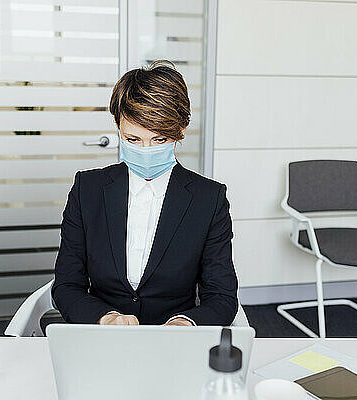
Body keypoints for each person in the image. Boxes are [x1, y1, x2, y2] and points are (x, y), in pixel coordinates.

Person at [51, 60, 239, 326]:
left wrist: (185, 323)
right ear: (118, 127)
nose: (146, 150)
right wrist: (106, 319)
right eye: (133, 139)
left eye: (159, 139)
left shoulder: (209, 199)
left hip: (174, 342)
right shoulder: (88, 190)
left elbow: (222, 296)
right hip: (103, 336)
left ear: (181, 130)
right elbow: (67, 285)